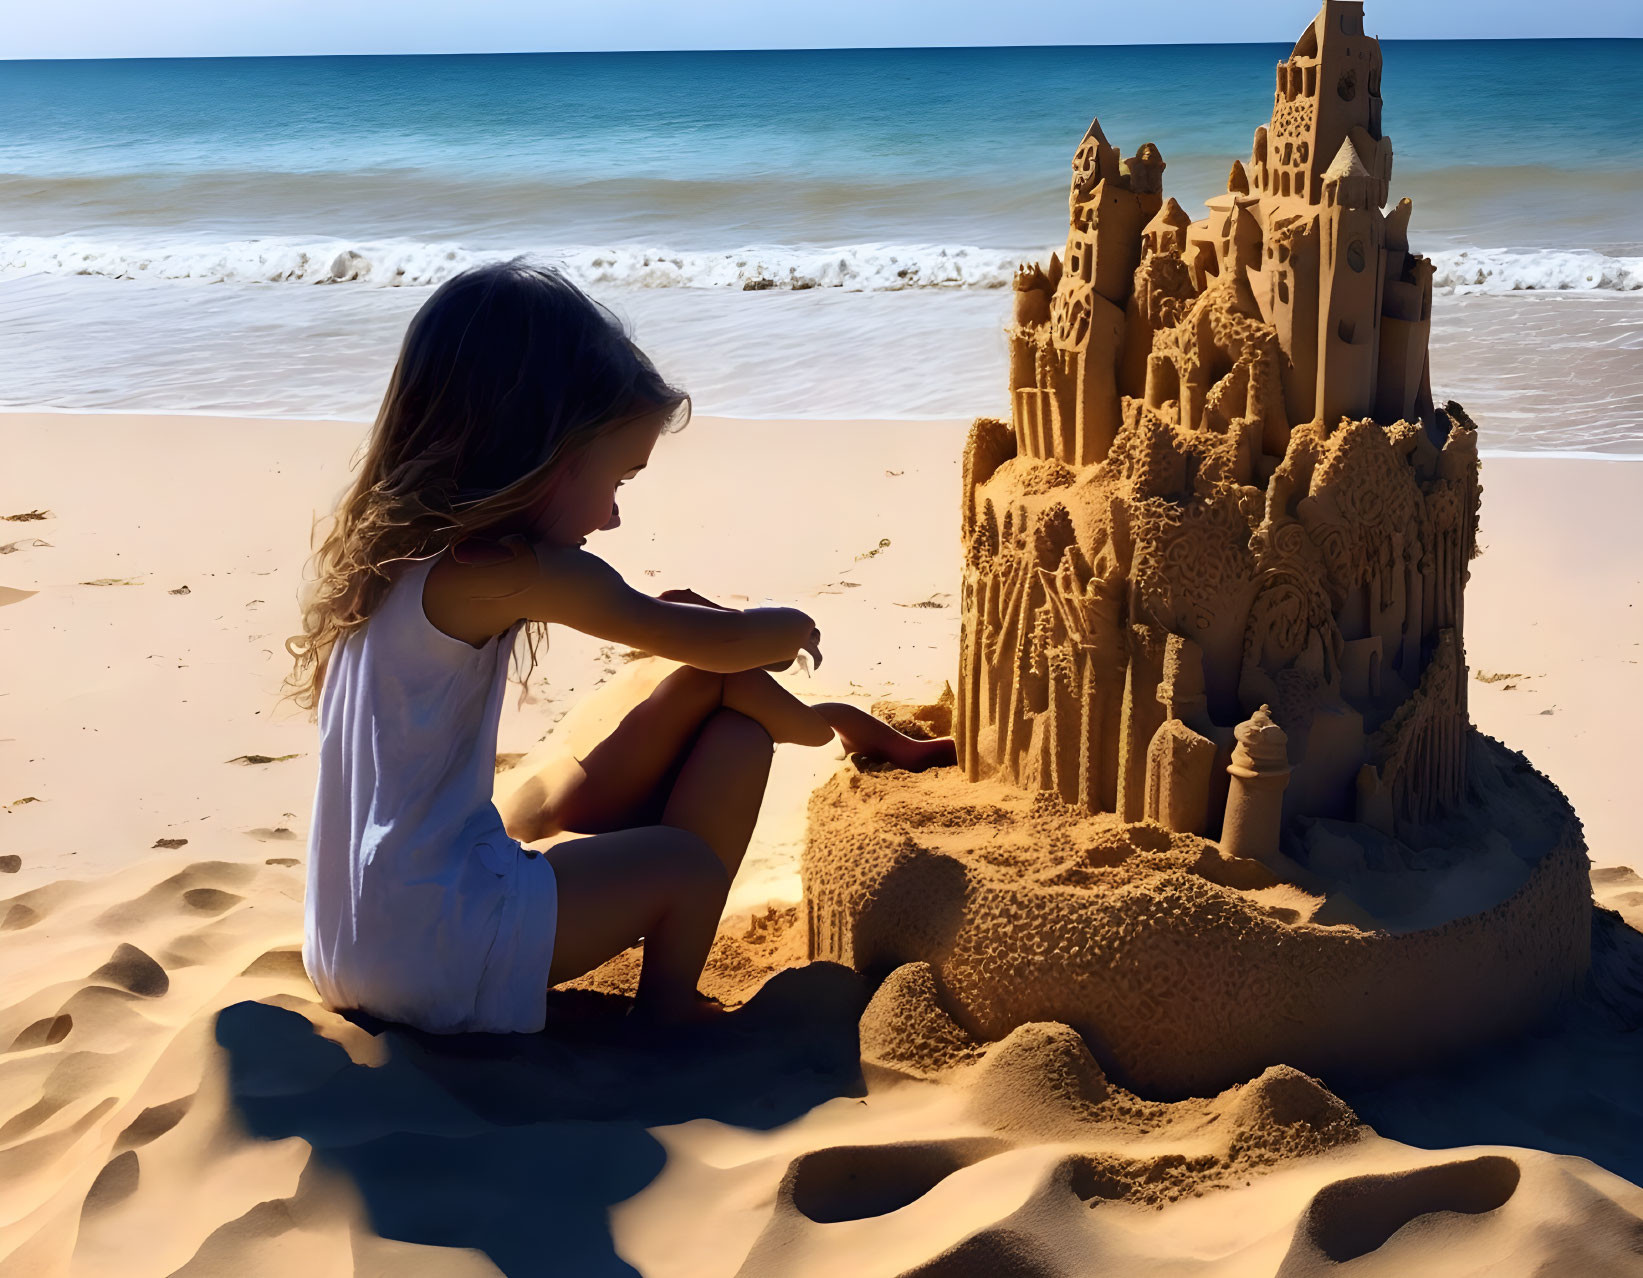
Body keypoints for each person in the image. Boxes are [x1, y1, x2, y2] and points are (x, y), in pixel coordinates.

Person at [283, 259, 954, 1035]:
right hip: (436, 947)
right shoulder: (502, 571)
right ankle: (666, 1016)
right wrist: (788, 631)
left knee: (716, 725)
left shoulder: (392, 563)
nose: (610, 518)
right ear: (541, 451)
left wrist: (732, 660)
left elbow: (683, 644)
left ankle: (835, 726)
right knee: (686, 868)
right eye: (618, 480)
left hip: (345, 944)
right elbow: (719, 639)